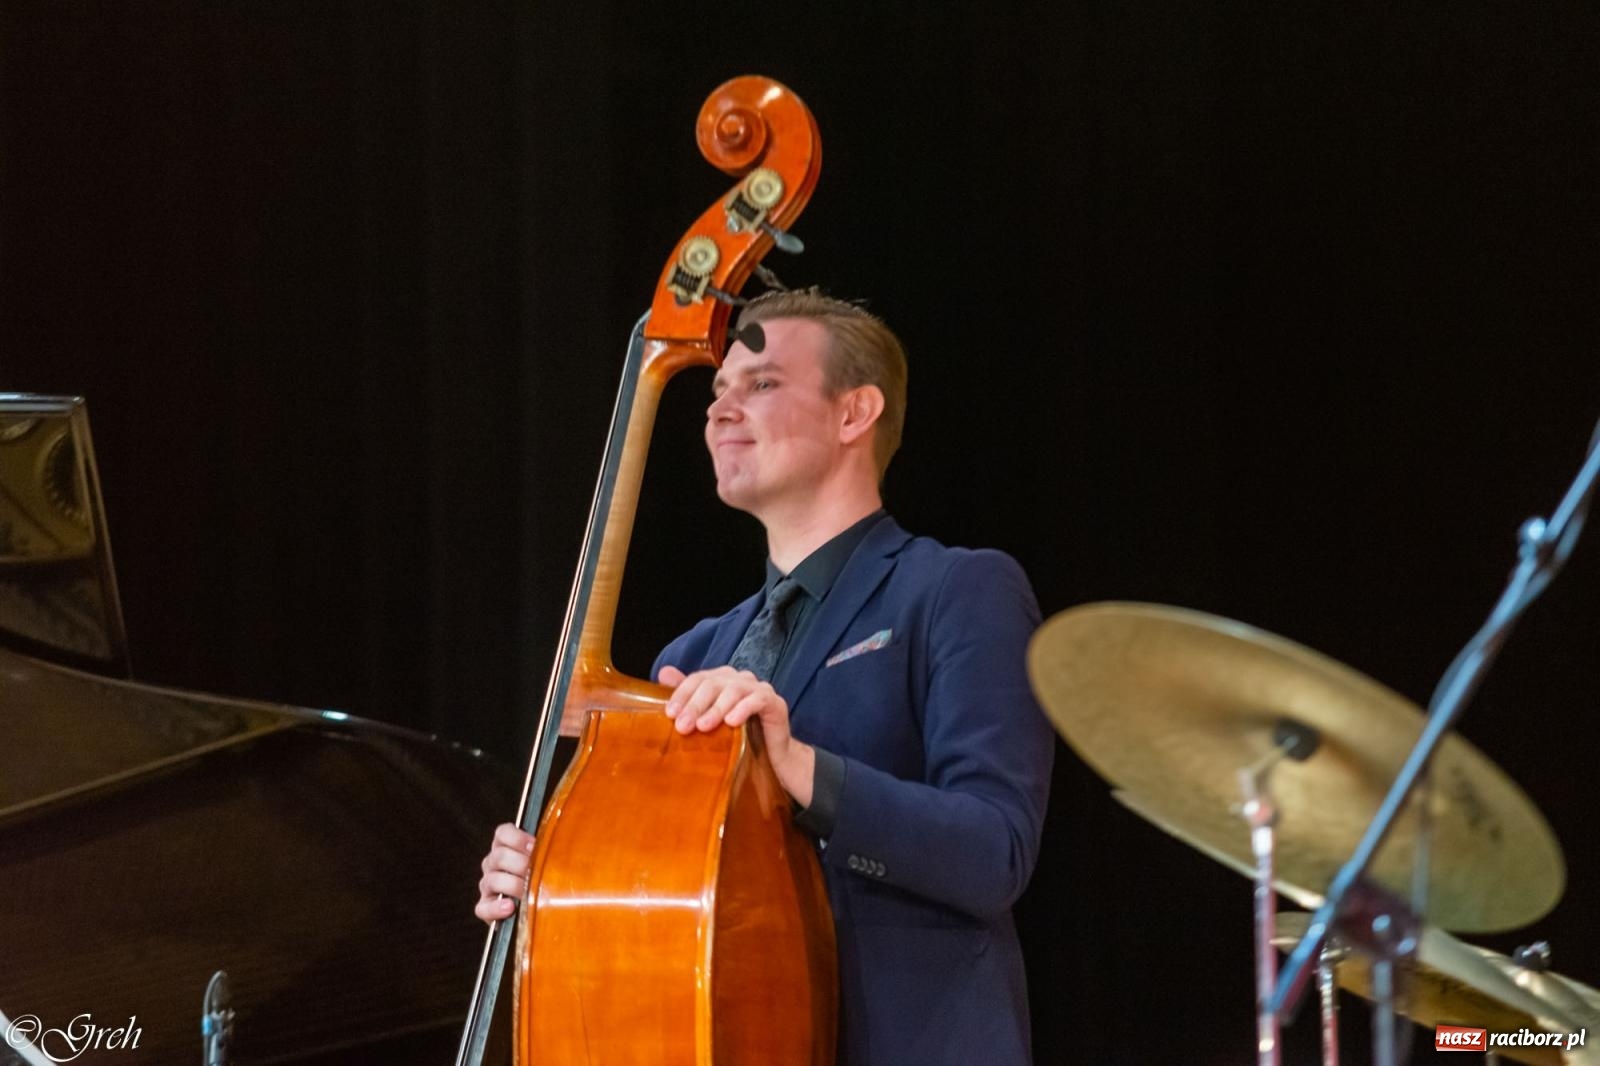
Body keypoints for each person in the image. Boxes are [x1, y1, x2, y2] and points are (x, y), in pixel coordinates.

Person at [477, 289, 1055, 1064]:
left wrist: (799, 768)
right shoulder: (696, 655)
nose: (718, 411)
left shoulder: (957, 589)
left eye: (762, 384)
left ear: (854, 414)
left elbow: (995, 853)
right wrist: (560, 879)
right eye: (716, 392)